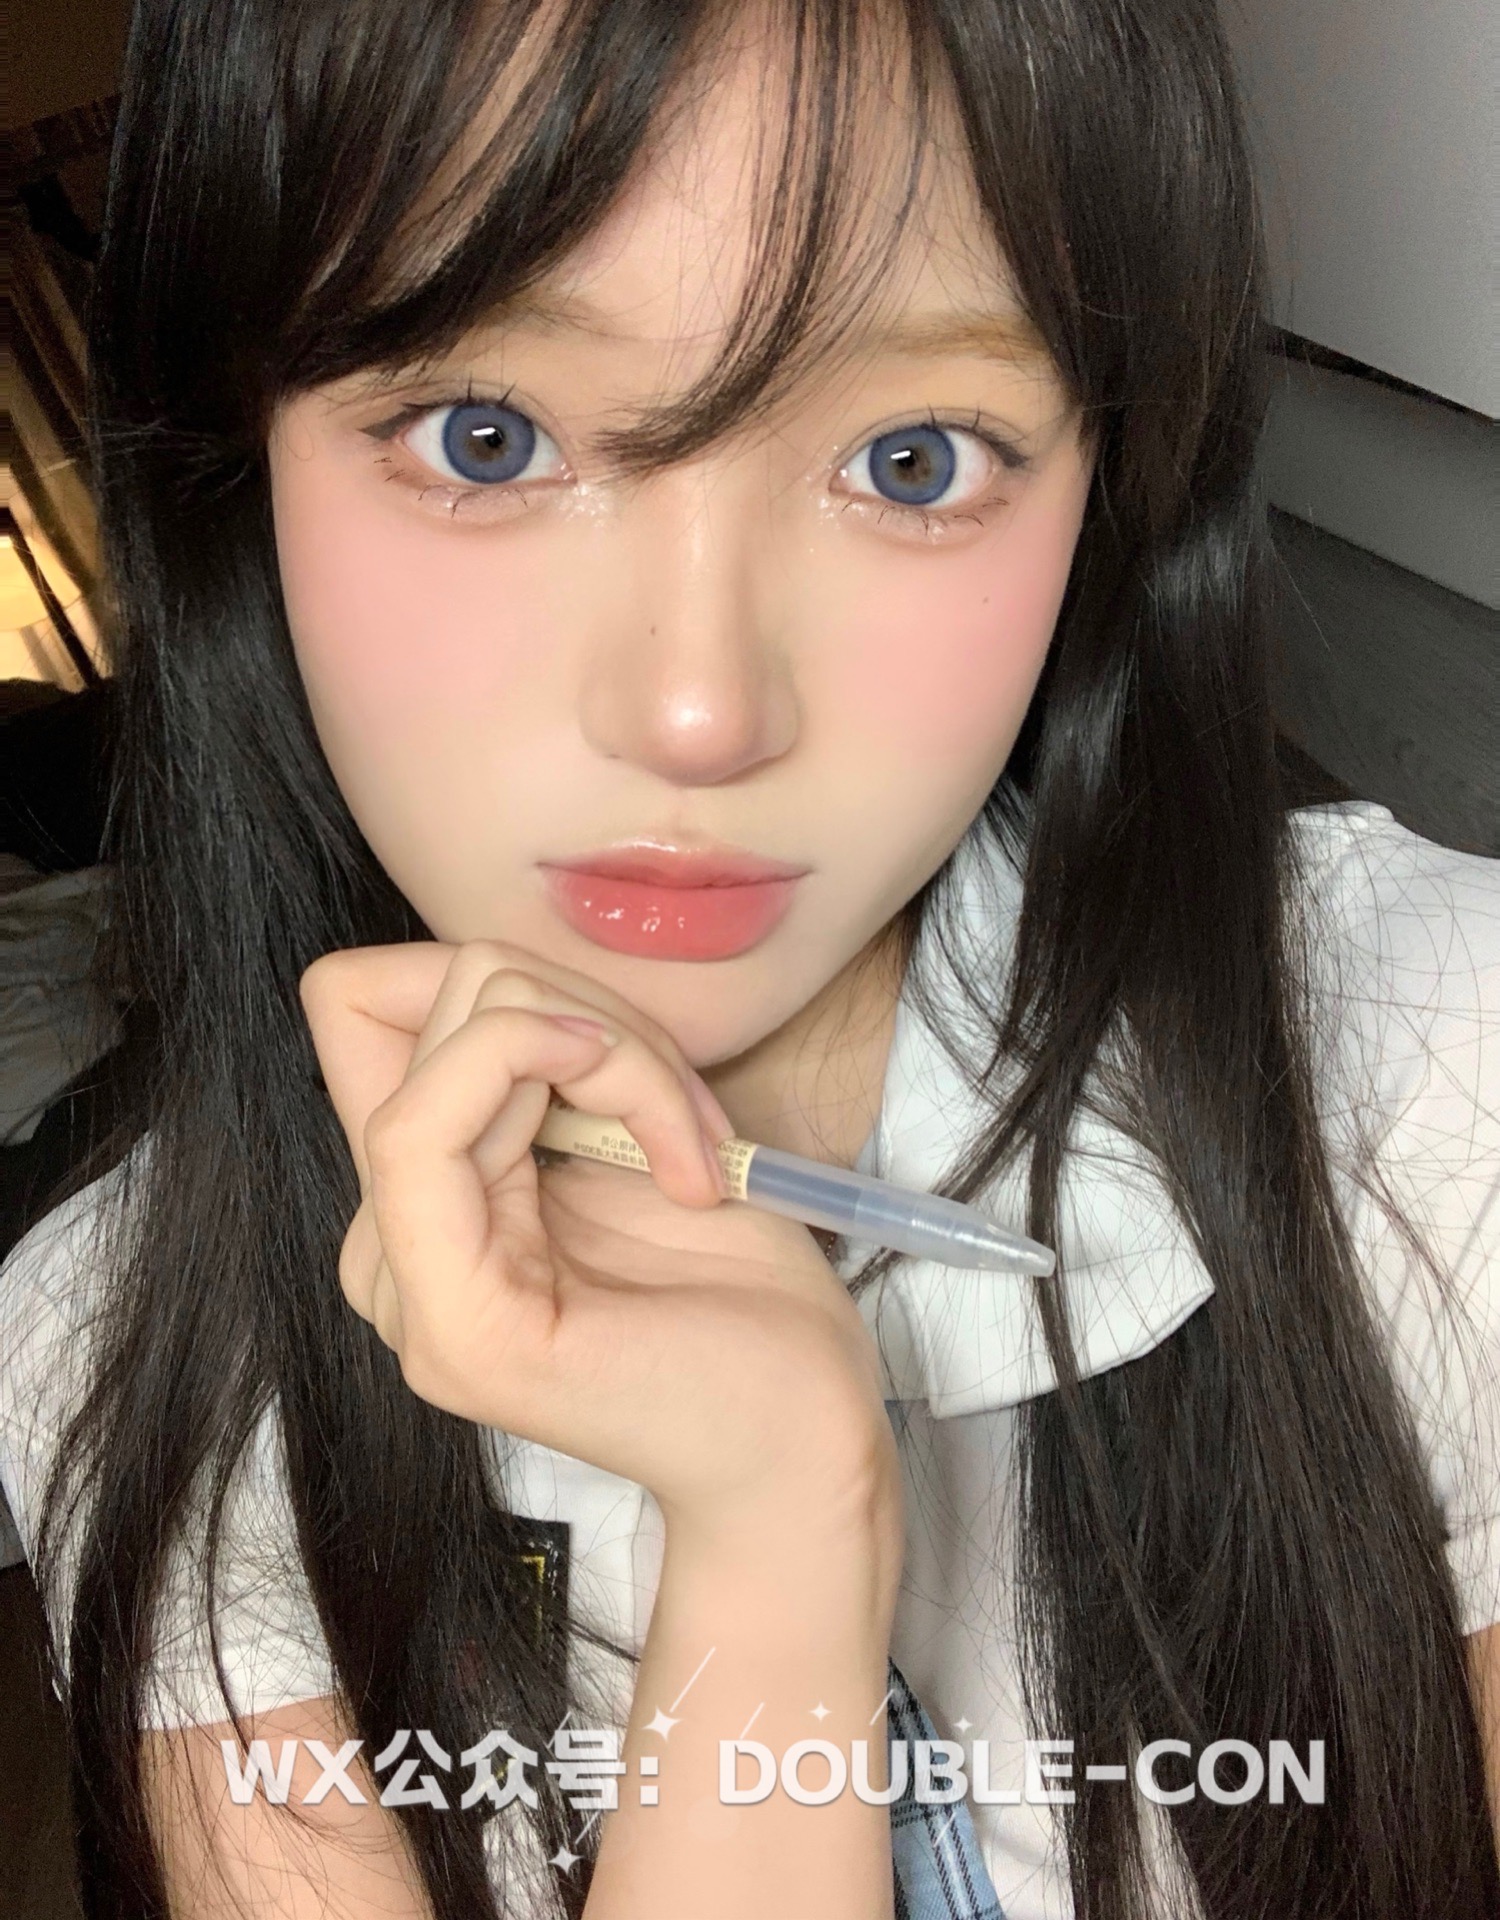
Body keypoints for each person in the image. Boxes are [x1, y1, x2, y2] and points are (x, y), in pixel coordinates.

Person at [1, 1, 1496, 1915]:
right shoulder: (133, 1347)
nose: (700, 713)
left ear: (1106, 488)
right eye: (487, 438)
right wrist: (775, 1531)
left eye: (912, 459)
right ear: (238, 463)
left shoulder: (1434, 1065)